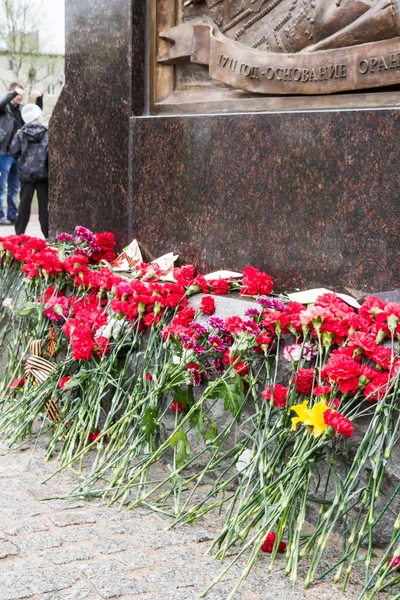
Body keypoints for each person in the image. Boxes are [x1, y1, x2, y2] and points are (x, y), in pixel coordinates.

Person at [0, 83, 43, 225]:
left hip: (18, 155)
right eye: (17, 94)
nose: (20, 97)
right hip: (4, 153)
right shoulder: (4, 109)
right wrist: (13, 93)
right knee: (1, 186)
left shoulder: (24, 110)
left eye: (22, 95)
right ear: (11, 94)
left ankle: (12, 216)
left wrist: (39, 99)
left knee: (14, 187)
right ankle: (0, 216)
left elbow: (35, 114)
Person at [10, 104, 49, 239]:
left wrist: (23, 161)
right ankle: (48, 234)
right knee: (44, 207)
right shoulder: (46, 134)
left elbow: (14, 151)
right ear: (37, 118)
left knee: (24, 205)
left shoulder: (20, 134)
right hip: (43, 175)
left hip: (26, 175)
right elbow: (50, 154)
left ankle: (19, 234)